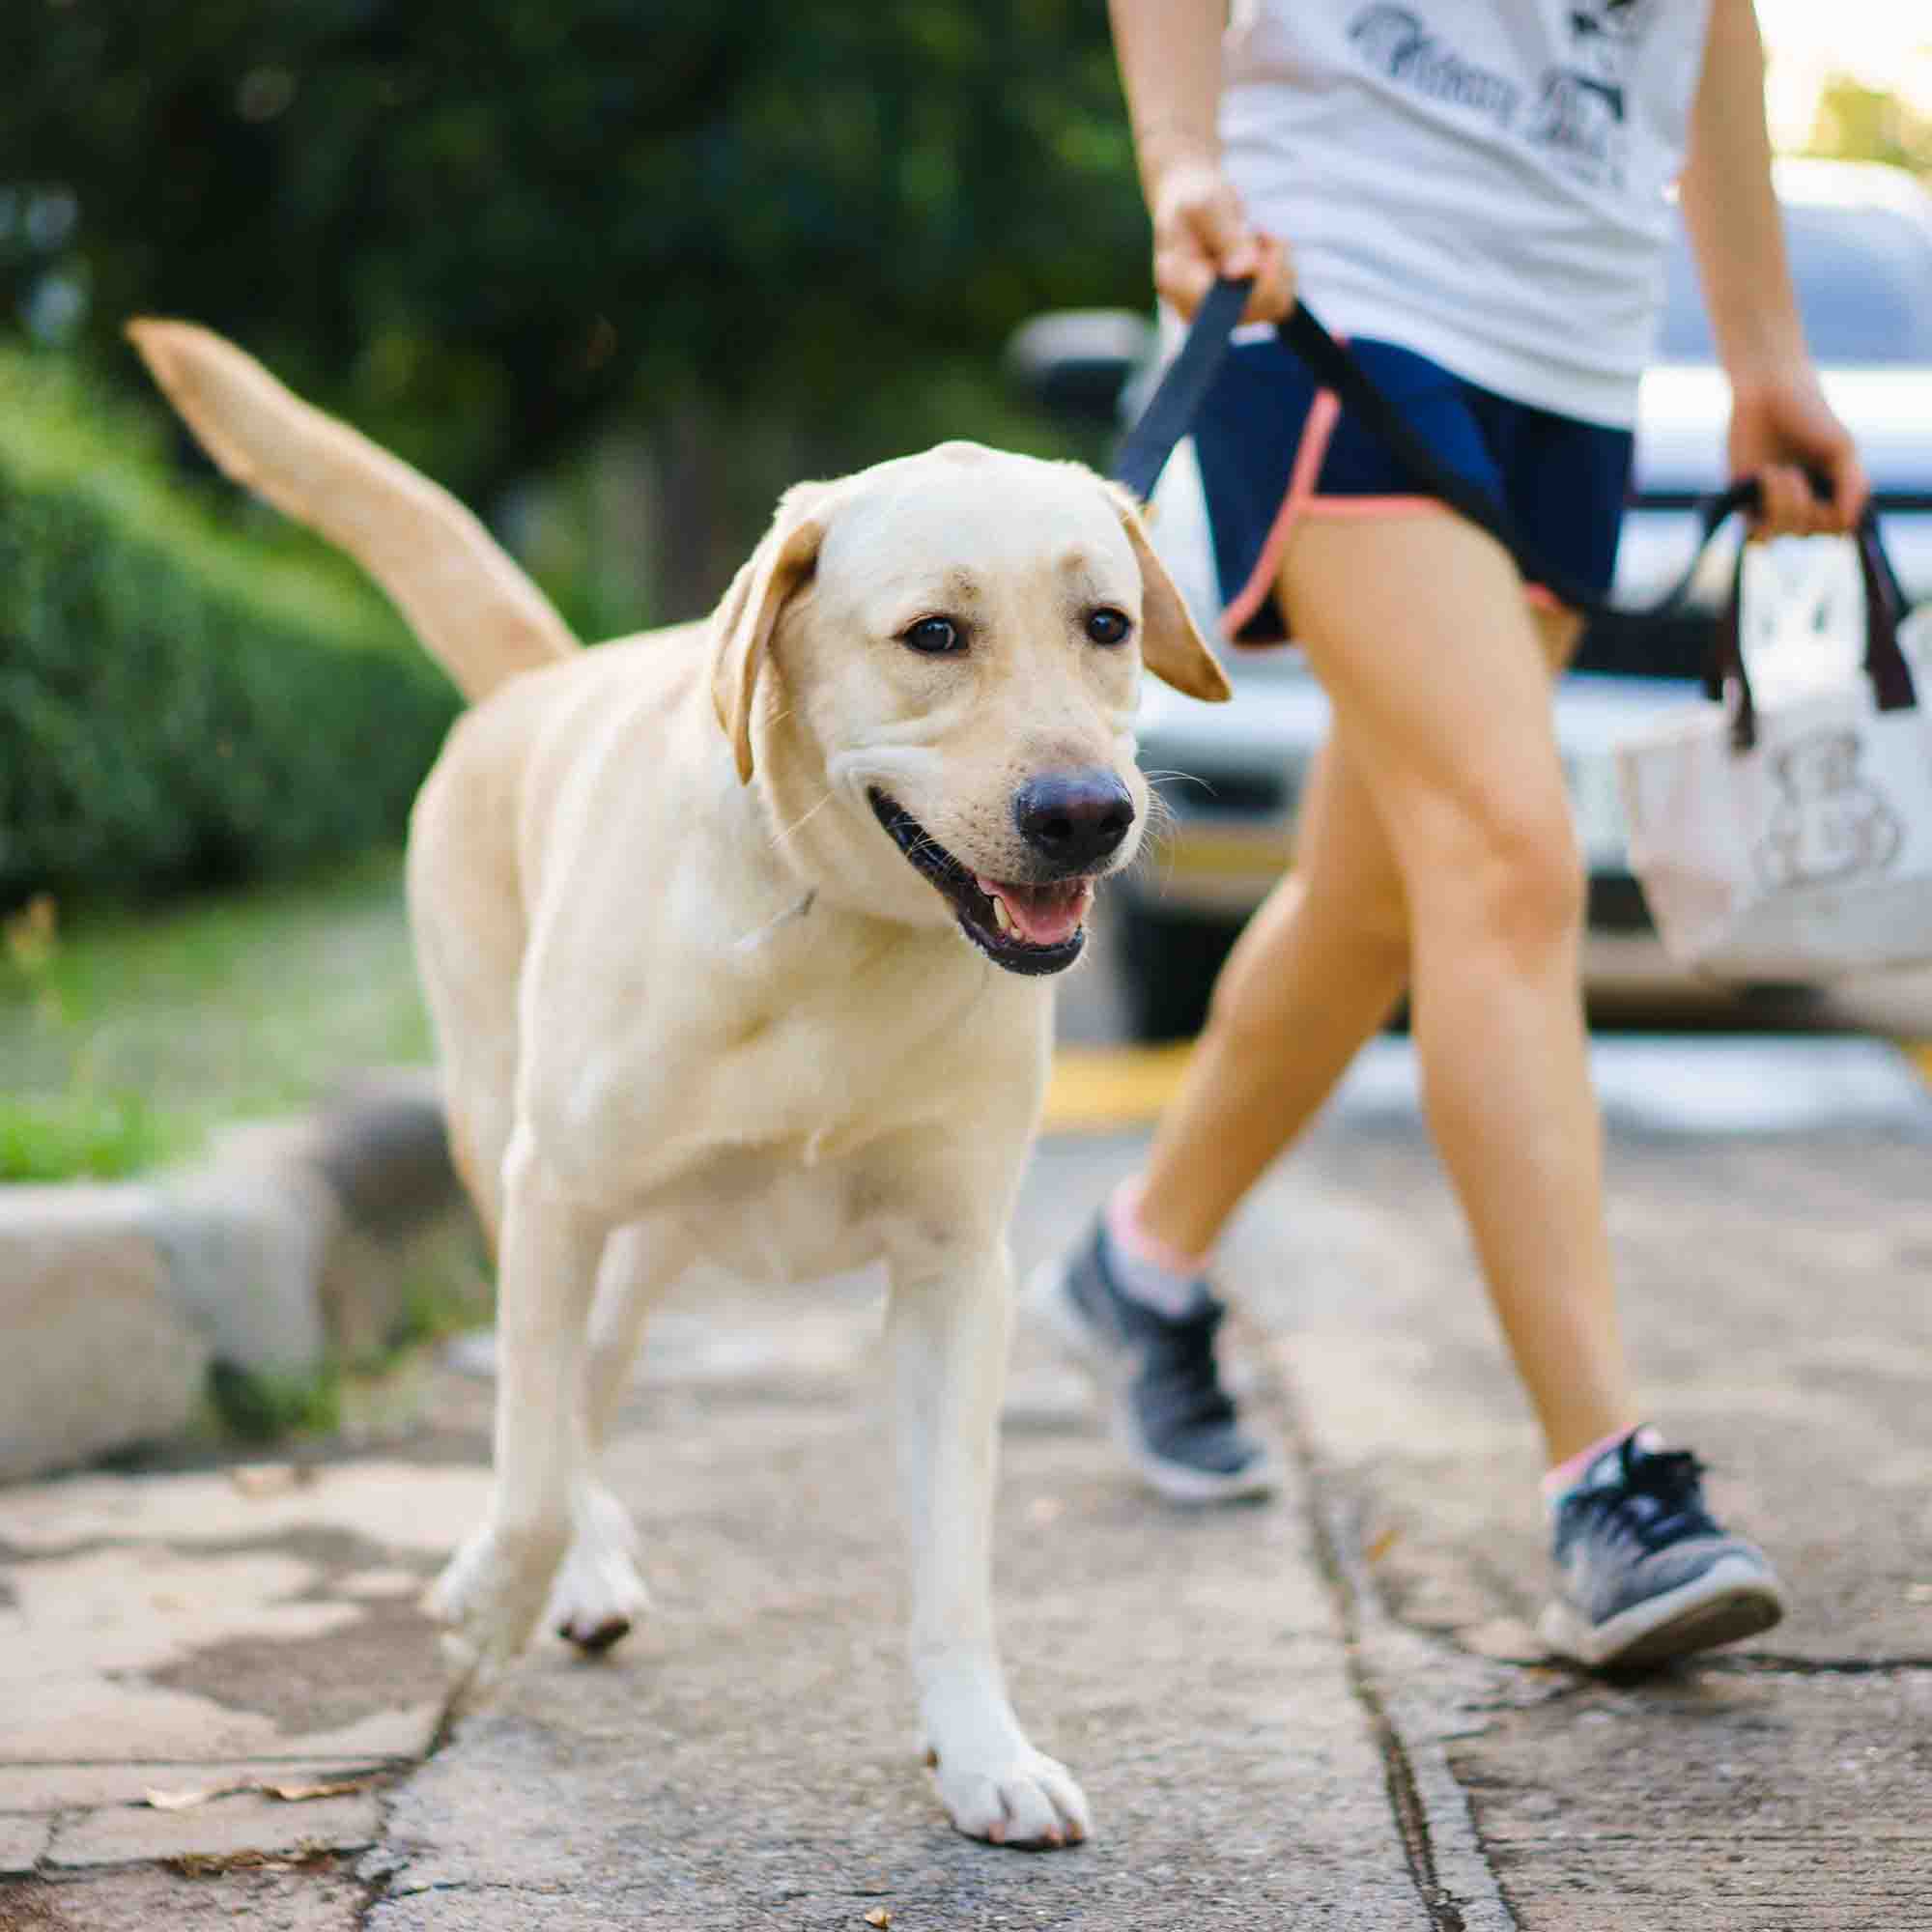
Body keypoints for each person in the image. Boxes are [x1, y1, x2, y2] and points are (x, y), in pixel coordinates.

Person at [1033, 0, 1869, 1670]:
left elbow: (1711, 24)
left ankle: (1144, 1263)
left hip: (1571, 335)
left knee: (1379, 897)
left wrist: (1764, 352)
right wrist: (1178, 155)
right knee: (1506, 852)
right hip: (1335, 279)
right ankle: (1608, 1488)